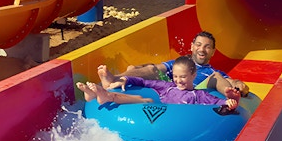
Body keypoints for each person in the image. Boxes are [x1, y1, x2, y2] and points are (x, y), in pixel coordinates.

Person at [97, 31, 249, 97]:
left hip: (193, 91)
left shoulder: (213, 72)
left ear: (213, 51)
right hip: (169, 87)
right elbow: (157, 69)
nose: (202, 49)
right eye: (198, 45)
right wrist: (138, 69)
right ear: (192, 46)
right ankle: (113, 78)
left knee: (215, 77)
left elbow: (231, 81)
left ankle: (229, 97)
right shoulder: (181, 62)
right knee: (150, 68)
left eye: (207, 47)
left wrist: (238, 85)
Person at [77, 56, 240, 110]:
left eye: (182, 77)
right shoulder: (167, 86)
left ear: (193, 75)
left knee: (147, 101)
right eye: (175, 76)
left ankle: (102, 95)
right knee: (146, 99)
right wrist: (127, 78)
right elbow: (143, 81)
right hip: (160, 111)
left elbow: (218, 102)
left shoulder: (199, 95)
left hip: (179, 118)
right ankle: (98, 95)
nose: (178, 80)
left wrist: (230, 102)